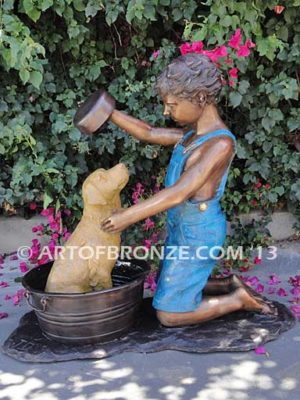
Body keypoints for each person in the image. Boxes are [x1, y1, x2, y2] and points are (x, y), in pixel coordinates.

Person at [101, 53, 274, 326]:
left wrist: (128, 216)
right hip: (181, 228)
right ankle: (227, 284)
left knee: (169, 315)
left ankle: (236, 300)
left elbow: (180, 192)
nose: (166, 112)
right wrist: (108, 113)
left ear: (201, 99)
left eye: (172, 105)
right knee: (167, 288)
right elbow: (148, 132)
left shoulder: (219, 145)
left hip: (199, 234)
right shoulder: (192, 136)